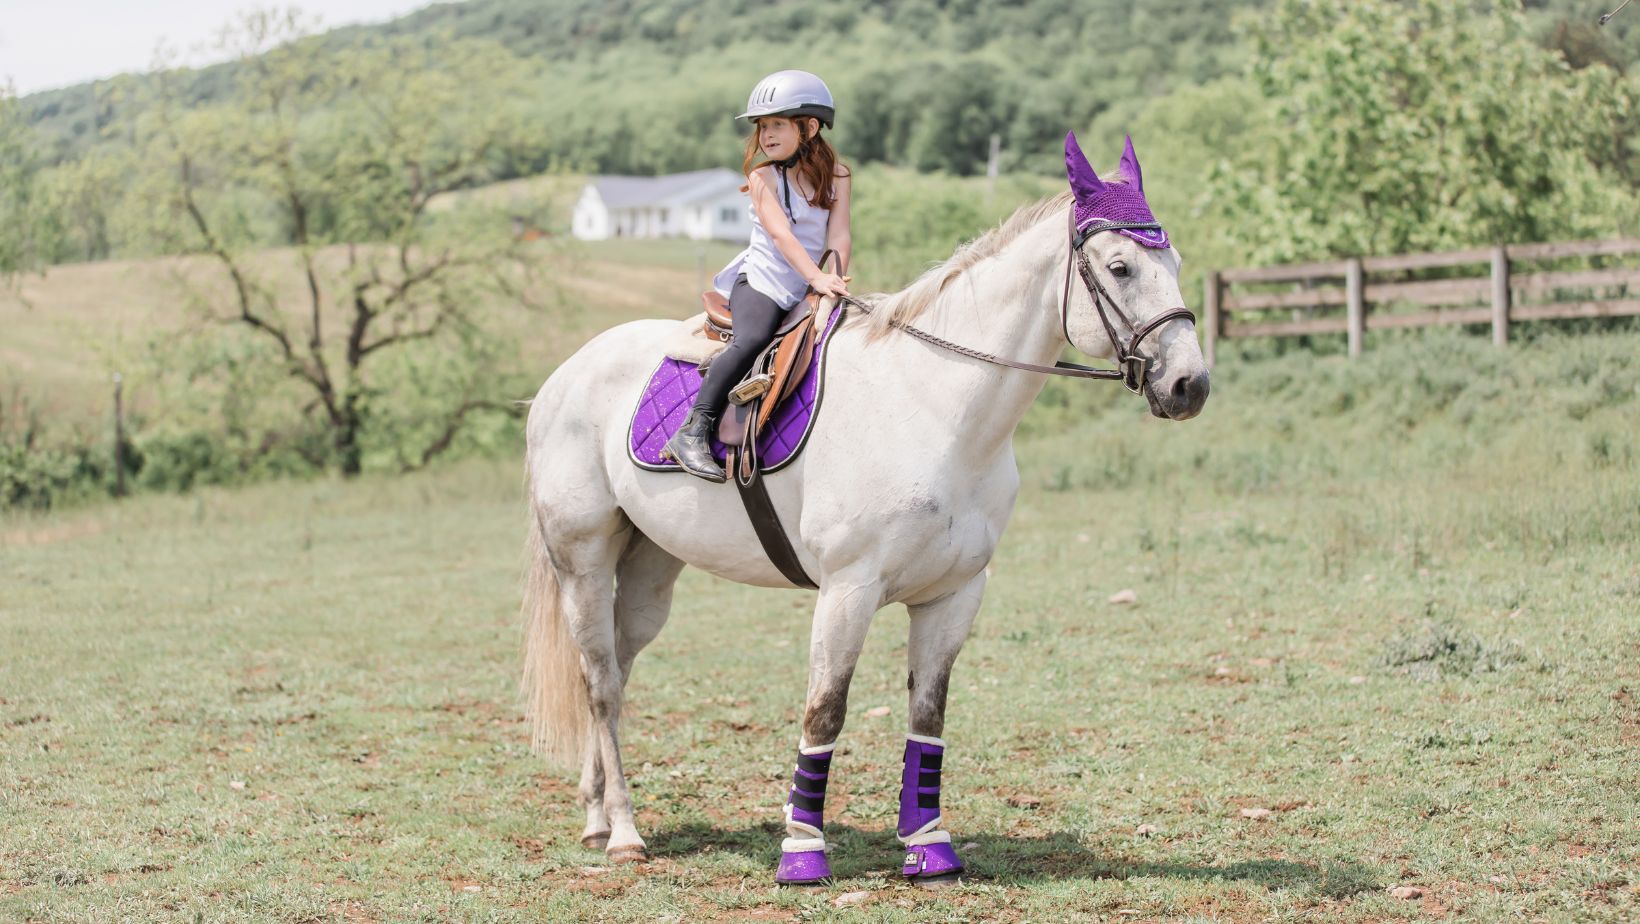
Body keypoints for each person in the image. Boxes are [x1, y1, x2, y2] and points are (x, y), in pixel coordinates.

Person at [663, 70, 853, 482]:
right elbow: (781, 235)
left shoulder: (838, 176)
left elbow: (839, 233)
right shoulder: (761, 177)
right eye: (763, 126)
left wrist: (835, 280)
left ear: (810, 127)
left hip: (809, 285)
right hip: (764, 283)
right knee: (751, 338)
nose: (766, 134)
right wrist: (815, 279)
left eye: (777, 125)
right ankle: (693, 429)